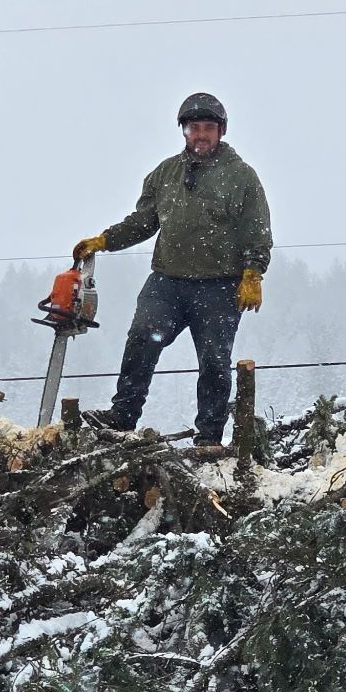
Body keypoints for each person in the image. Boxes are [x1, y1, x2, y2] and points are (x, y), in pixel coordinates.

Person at [74, 92, 272, 451]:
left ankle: (209, 437)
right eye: (193, 127)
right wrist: (105, 240)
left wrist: (252, 273)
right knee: (141, 339)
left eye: (208, 128)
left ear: (221, 131)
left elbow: (256, 231)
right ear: (183, 131)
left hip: (219, 287)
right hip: (167, 282)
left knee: (214, 360)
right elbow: (143, 222)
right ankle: (123, 416)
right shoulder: (164, 174)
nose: (200, 134)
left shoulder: (241, 177)